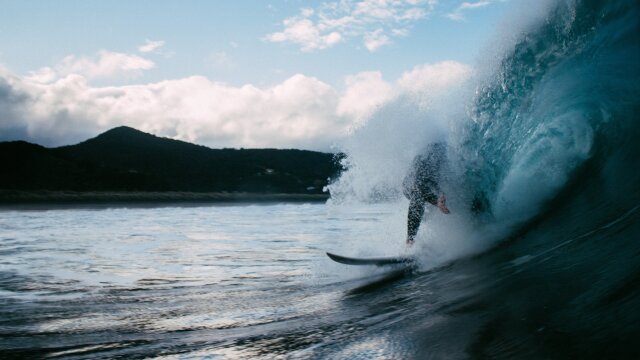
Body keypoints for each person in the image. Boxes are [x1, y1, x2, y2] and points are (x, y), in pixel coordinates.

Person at [402, 142, 450, 245]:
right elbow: (419, 184)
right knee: (418, 197)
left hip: (426, 184)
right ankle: (410, 241)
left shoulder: (446, 159)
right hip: (410, 185)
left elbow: (434, 181)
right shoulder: (424, 160)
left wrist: (440, 194)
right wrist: (436, 201)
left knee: (428, 202)